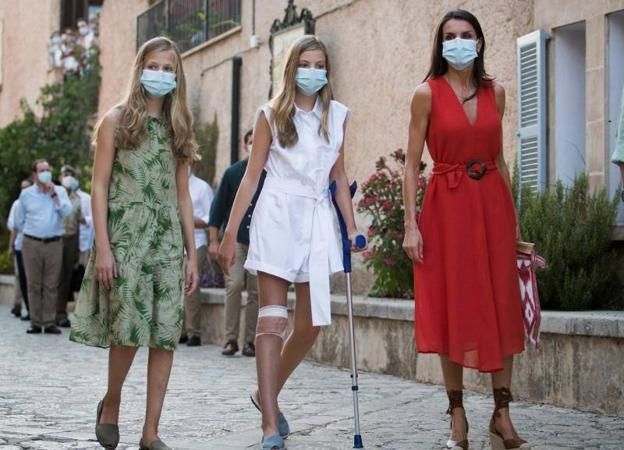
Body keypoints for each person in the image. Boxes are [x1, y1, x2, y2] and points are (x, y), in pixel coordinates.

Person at [218, 35, 363, 450]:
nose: (312, 72)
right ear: (291, 69)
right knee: (272, 320)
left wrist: (351, 227)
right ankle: (269, 423)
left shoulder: (337, 115)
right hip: (277, 217)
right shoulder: (270, 114)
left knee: (311, 324)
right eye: (305, 64)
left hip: (317, 222)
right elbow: (252, 176)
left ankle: (265, 393)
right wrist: (229, 233)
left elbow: (338, 176)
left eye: (320, 65)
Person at [402, 10, 529, 450]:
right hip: (446, 208)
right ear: (441, 45)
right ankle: (457, 415)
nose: (458, 41)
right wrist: (411, 225)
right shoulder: (426, 94)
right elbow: (411, 164)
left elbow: (499, 159)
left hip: (492, 206)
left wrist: (513, 219)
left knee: (502, 303)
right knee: (450, 305)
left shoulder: (498, 93)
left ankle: (501, 414)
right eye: (450, 36)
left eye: (466, 34)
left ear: (479, 42)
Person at [69, 37, 199, 450]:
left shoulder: (180, 128)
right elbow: (99, 186)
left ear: (177, 76)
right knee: (127, 329)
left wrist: (192, 254)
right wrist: (103, 247)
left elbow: (183, 195)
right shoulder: (117, 120)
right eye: (153, 66)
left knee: (165, 334)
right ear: (140, 69)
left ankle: (150, 432)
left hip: (167, 242)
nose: (160, 74)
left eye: (168, 68)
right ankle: (111, 402)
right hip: (126, 239)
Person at [208, 129, 264, 357]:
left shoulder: (271, 174)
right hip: (237, 242)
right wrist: (214, 240)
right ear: (245, 145)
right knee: (234, 284)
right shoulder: (233, 173)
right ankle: (230, 339)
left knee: (256, 292)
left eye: (257, 141)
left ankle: (251, 341)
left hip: (260, 243)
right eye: (250, 141)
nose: (254, 145)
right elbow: (217, 209)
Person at [14, 160, 72, 334]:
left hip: (54, 243)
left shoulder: (60, 191)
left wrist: (54, 195)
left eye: (48, 170)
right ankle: (35, 321)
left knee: (51, 284)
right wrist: (31, 233)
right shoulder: (26, 195)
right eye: (42, 170)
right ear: (34, 174)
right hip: (31, 243)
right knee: (33, 283)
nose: (46, 173)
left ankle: (49, 321)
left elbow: (67, 212)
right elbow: (19, 221)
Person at [180, 165, 213, 347]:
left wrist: (187, 219)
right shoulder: (170, 184)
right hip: (174, 243)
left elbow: (209, 218)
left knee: (190, 284)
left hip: (197, 242)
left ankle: (194, 332)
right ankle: (180, 330)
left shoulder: (202, 187)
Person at [56, 166, 85, 327]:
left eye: (71, 175)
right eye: (65, 174)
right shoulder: (54, 195)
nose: (68, 178)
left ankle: (61, 312)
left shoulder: (78, 199)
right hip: (56, 238)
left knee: (66, 277)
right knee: (54, 276)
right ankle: (48, 312)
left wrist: (77, 248)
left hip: (71, 239)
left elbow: (78, 223)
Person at [7, 179, 34, 320]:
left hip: (33, 245)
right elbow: (14, 227)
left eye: (26, 187)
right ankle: (18, 305)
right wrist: (10, 246)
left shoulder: (36, 201)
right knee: (20, 276)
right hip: (20, 245)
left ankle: (32, 309)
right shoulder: (17, 204)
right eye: (22, 188)